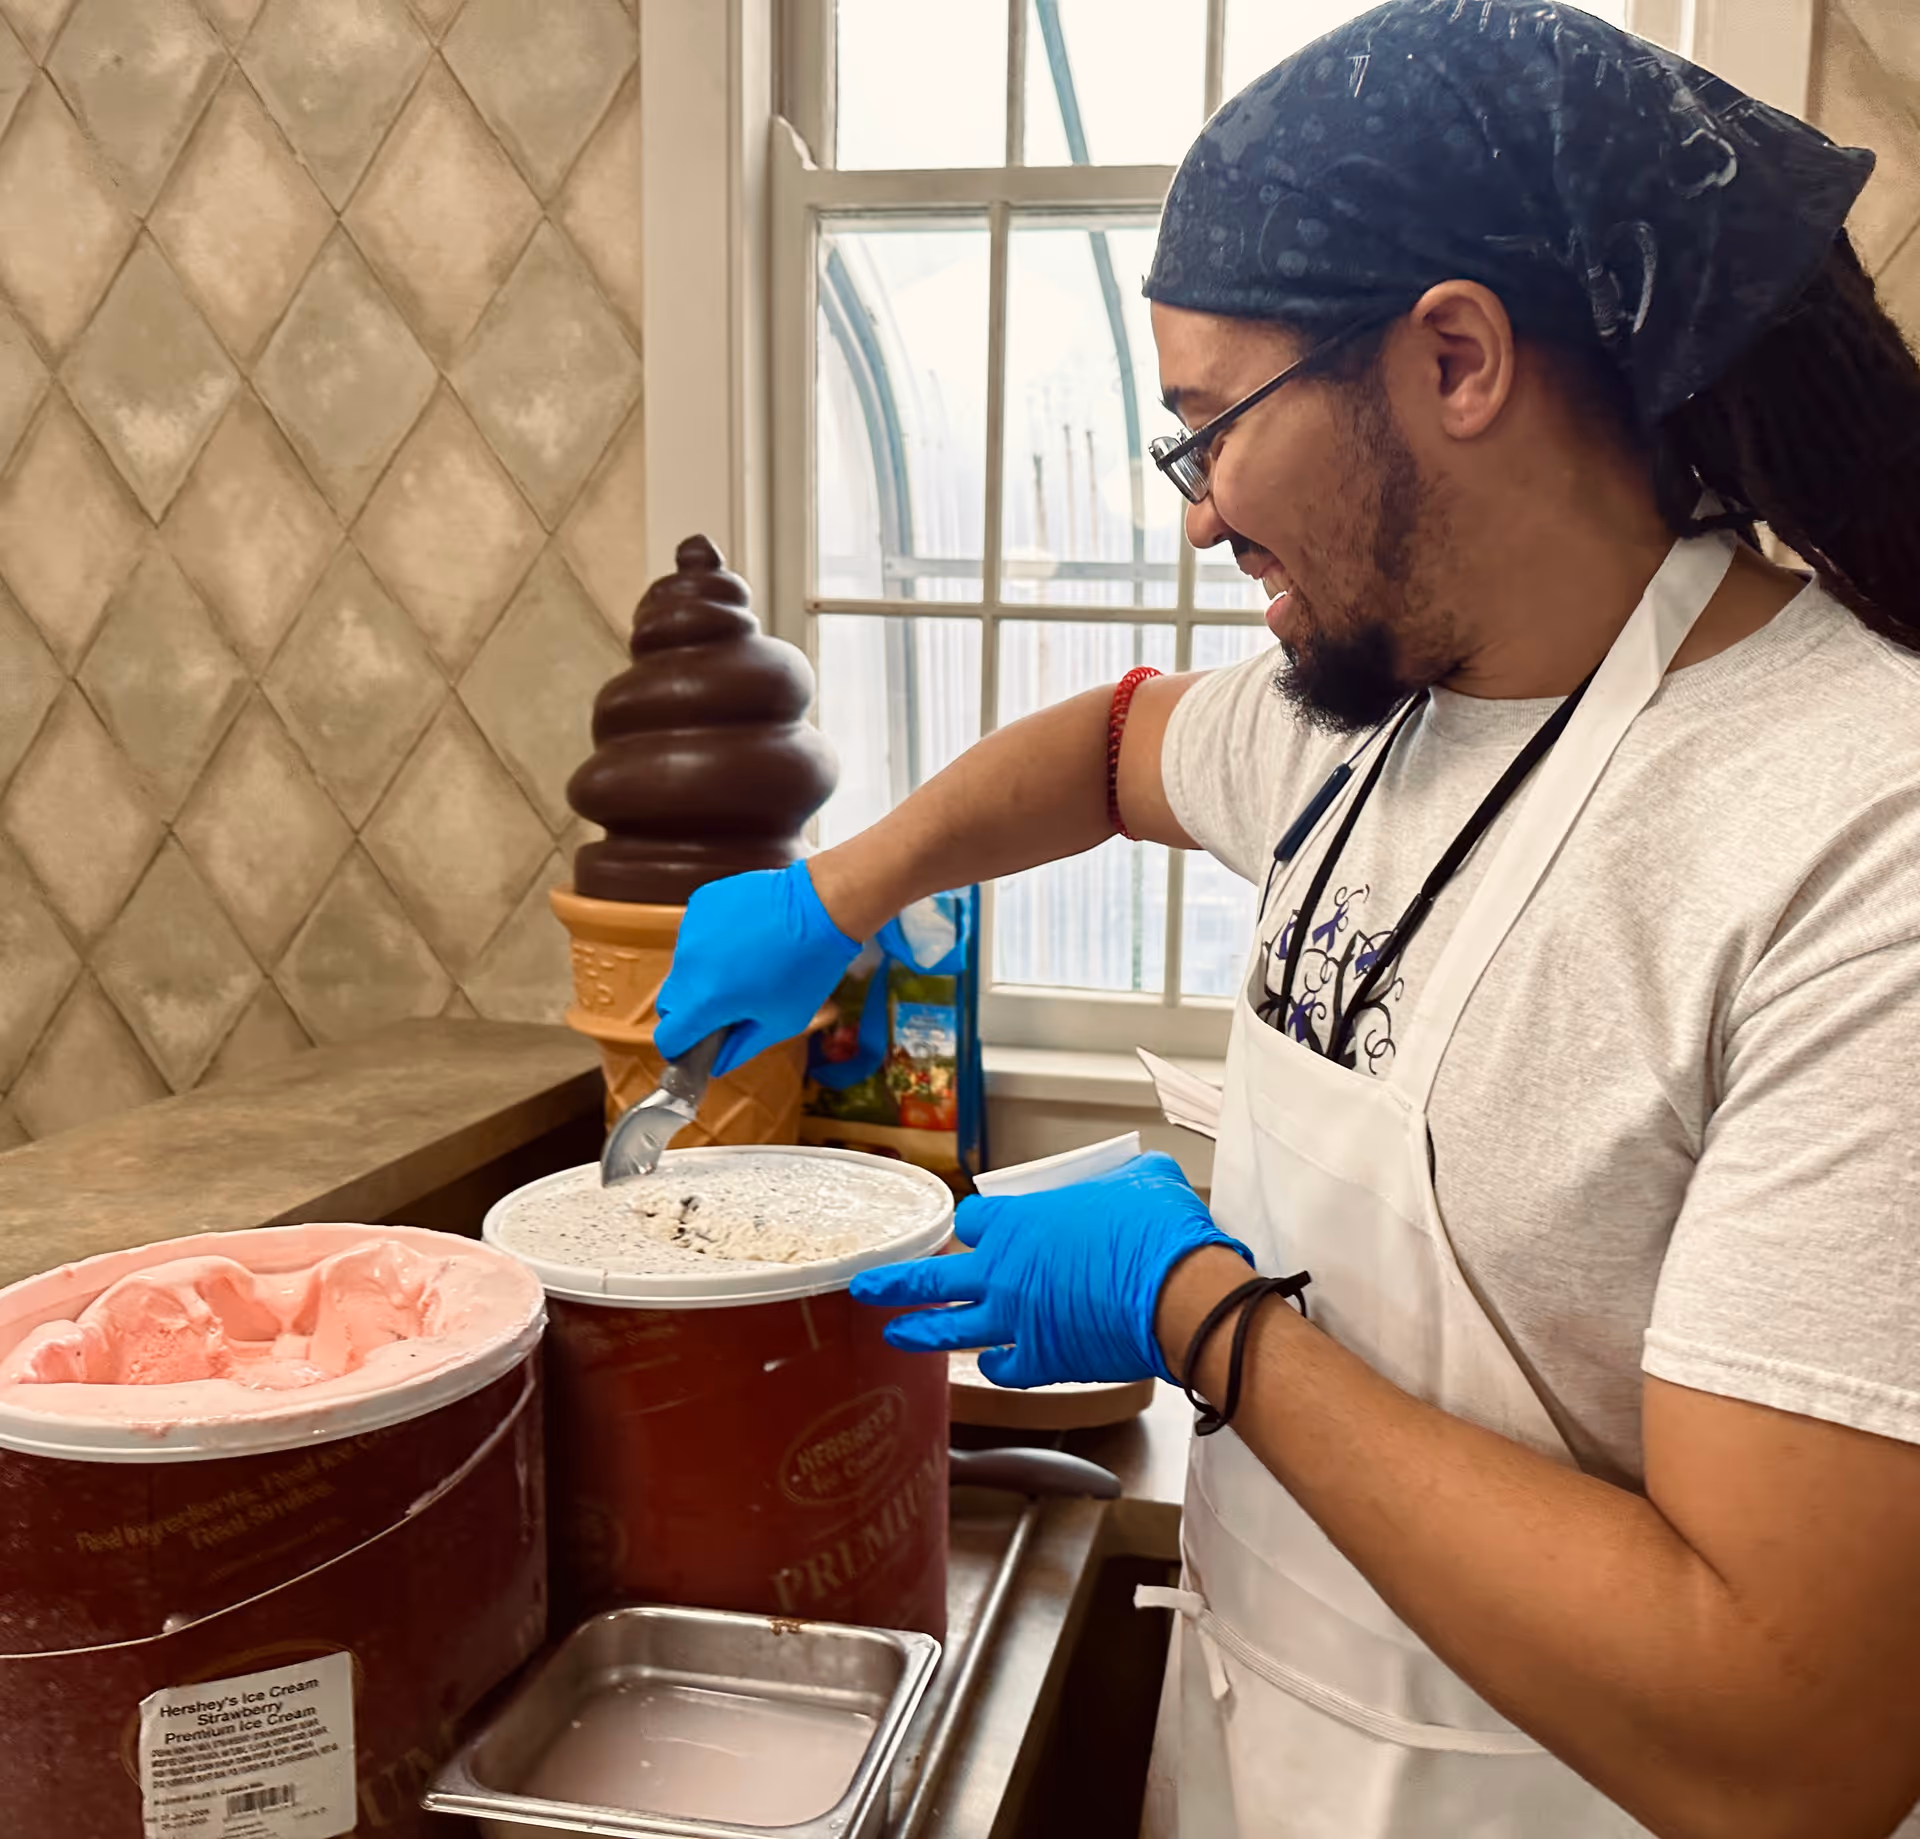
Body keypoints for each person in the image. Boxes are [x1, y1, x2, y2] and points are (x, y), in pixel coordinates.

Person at [655, 3, 1920, 1833]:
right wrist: (836, 894)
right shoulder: (1386, 713)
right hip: (1270, 1758)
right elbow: (1101, 751)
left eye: (1209, 429)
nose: (1198, 517)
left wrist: (1206, 1315)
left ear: (1456, 359)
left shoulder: (1843, 824)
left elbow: (1787, 1731)